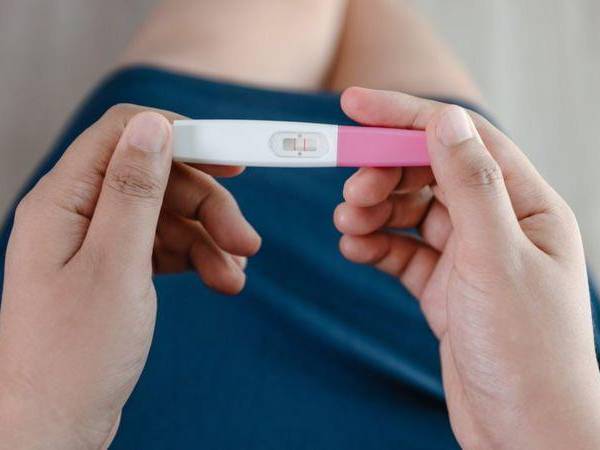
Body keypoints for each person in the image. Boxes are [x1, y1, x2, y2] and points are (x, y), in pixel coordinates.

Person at [1, 1, 599, 449]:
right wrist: (543, 423)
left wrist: (41, 412)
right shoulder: (537, 400)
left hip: (145, 363)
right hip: (452, 359)